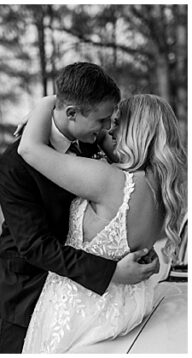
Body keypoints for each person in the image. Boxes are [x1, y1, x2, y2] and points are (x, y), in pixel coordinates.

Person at [0, 62, 160, 353]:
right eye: (102, 120)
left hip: (76, 297)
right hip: (24, 291)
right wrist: (111, 272)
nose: (107, 130)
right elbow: (35, 246)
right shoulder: (13, 166)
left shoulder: (90, 141)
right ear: (71, 114)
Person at [19, 93, 185, 352]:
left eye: (118, 122)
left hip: (80, 312)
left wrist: (50, 102)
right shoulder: (164, 186)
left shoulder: (108, 180)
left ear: (136, 129)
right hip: (128, 309)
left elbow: (29, 148)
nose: (110, 128)